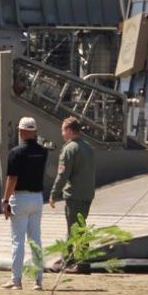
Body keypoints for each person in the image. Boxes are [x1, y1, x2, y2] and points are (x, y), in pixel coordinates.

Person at [2, 116, 49, 290]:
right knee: (35, 240)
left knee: (18, 241)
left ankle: (16, 280)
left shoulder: (15, 152)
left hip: (20, 198)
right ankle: (38, 280)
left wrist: (5, 200)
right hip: (37, 199)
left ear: (21, 131)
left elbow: (12, 178)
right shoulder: (43, 152)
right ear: (35, 132)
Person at [47, 116, 97, 272]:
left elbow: (63, 175)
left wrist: (54, 194)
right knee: (79, 226)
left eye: (63, 130)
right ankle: (76, 260)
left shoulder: (69, 149)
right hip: (87, 194)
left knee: (73, 228)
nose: (62, 133)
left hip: (74, 195)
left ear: (69, 130)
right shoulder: (89, 148)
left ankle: (74, 262)